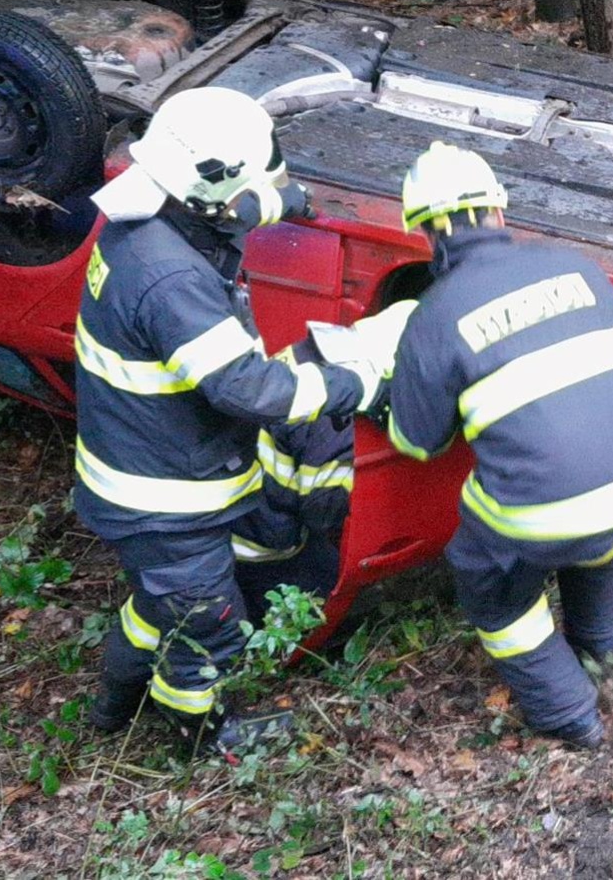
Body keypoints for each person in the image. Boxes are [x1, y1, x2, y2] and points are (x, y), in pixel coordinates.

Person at [76, 87, 379, 754]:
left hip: (139, 472)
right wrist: (350, 384)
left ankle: (112, 708)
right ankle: (201, 734)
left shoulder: (148, 215)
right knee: (207, 625)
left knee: (155, 608)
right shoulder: (170, 282)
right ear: (214, 191)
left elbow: (225, 207)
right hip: (167, 501)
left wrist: (287, 201)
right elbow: (244, 388)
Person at [384, 141, 613, 749]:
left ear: (425, 233)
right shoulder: (577, 266)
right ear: (499, 210)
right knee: (593, 533)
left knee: (489, 581)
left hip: (554, 507)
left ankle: (569, 713)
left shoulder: (434, 314)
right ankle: (600, 649)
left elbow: (417, 442)